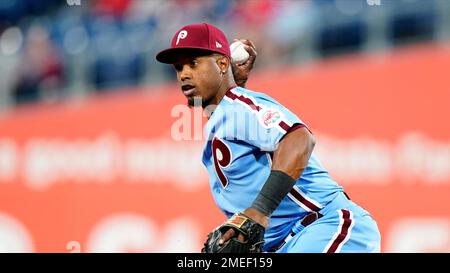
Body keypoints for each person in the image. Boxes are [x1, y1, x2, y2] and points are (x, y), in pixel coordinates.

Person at [156, 23, 381, 253]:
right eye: (178, 67)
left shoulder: (237, 106)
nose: (184, 74)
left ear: (223, 63)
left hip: (323, 225)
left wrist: (260, 210)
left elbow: (299, 139)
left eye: (193, 63)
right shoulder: (224, 116)